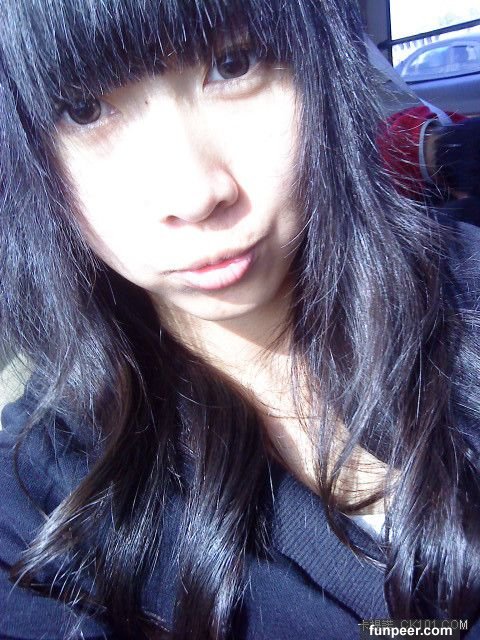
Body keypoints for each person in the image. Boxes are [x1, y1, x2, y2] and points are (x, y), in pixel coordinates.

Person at [0, 1, 480, 639]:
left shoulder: (464, 289)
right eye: (85, 110)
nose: (195, 195)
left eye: (234, 64)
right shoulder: (38, 497)